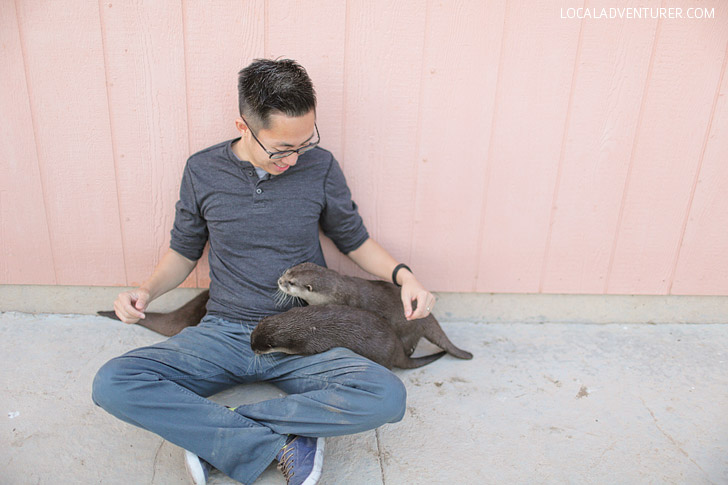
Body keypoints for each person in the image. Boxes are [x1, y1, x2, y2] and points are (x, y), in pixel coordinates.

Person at [92, 58, 436, 485]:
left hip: (307, 333)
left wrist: (405, 276)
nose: (293, 159)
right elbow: (182, 253)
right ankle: (278, 442)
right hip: (222, 332)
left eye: (303, 144)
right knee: (113, 382)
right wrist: (143, 292)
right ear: (243, 126)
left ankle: (219, 430)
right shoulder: (202, 171)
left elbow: (355, 240)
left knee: (387, 396)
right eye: (280, 149)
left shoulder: (321, 167)